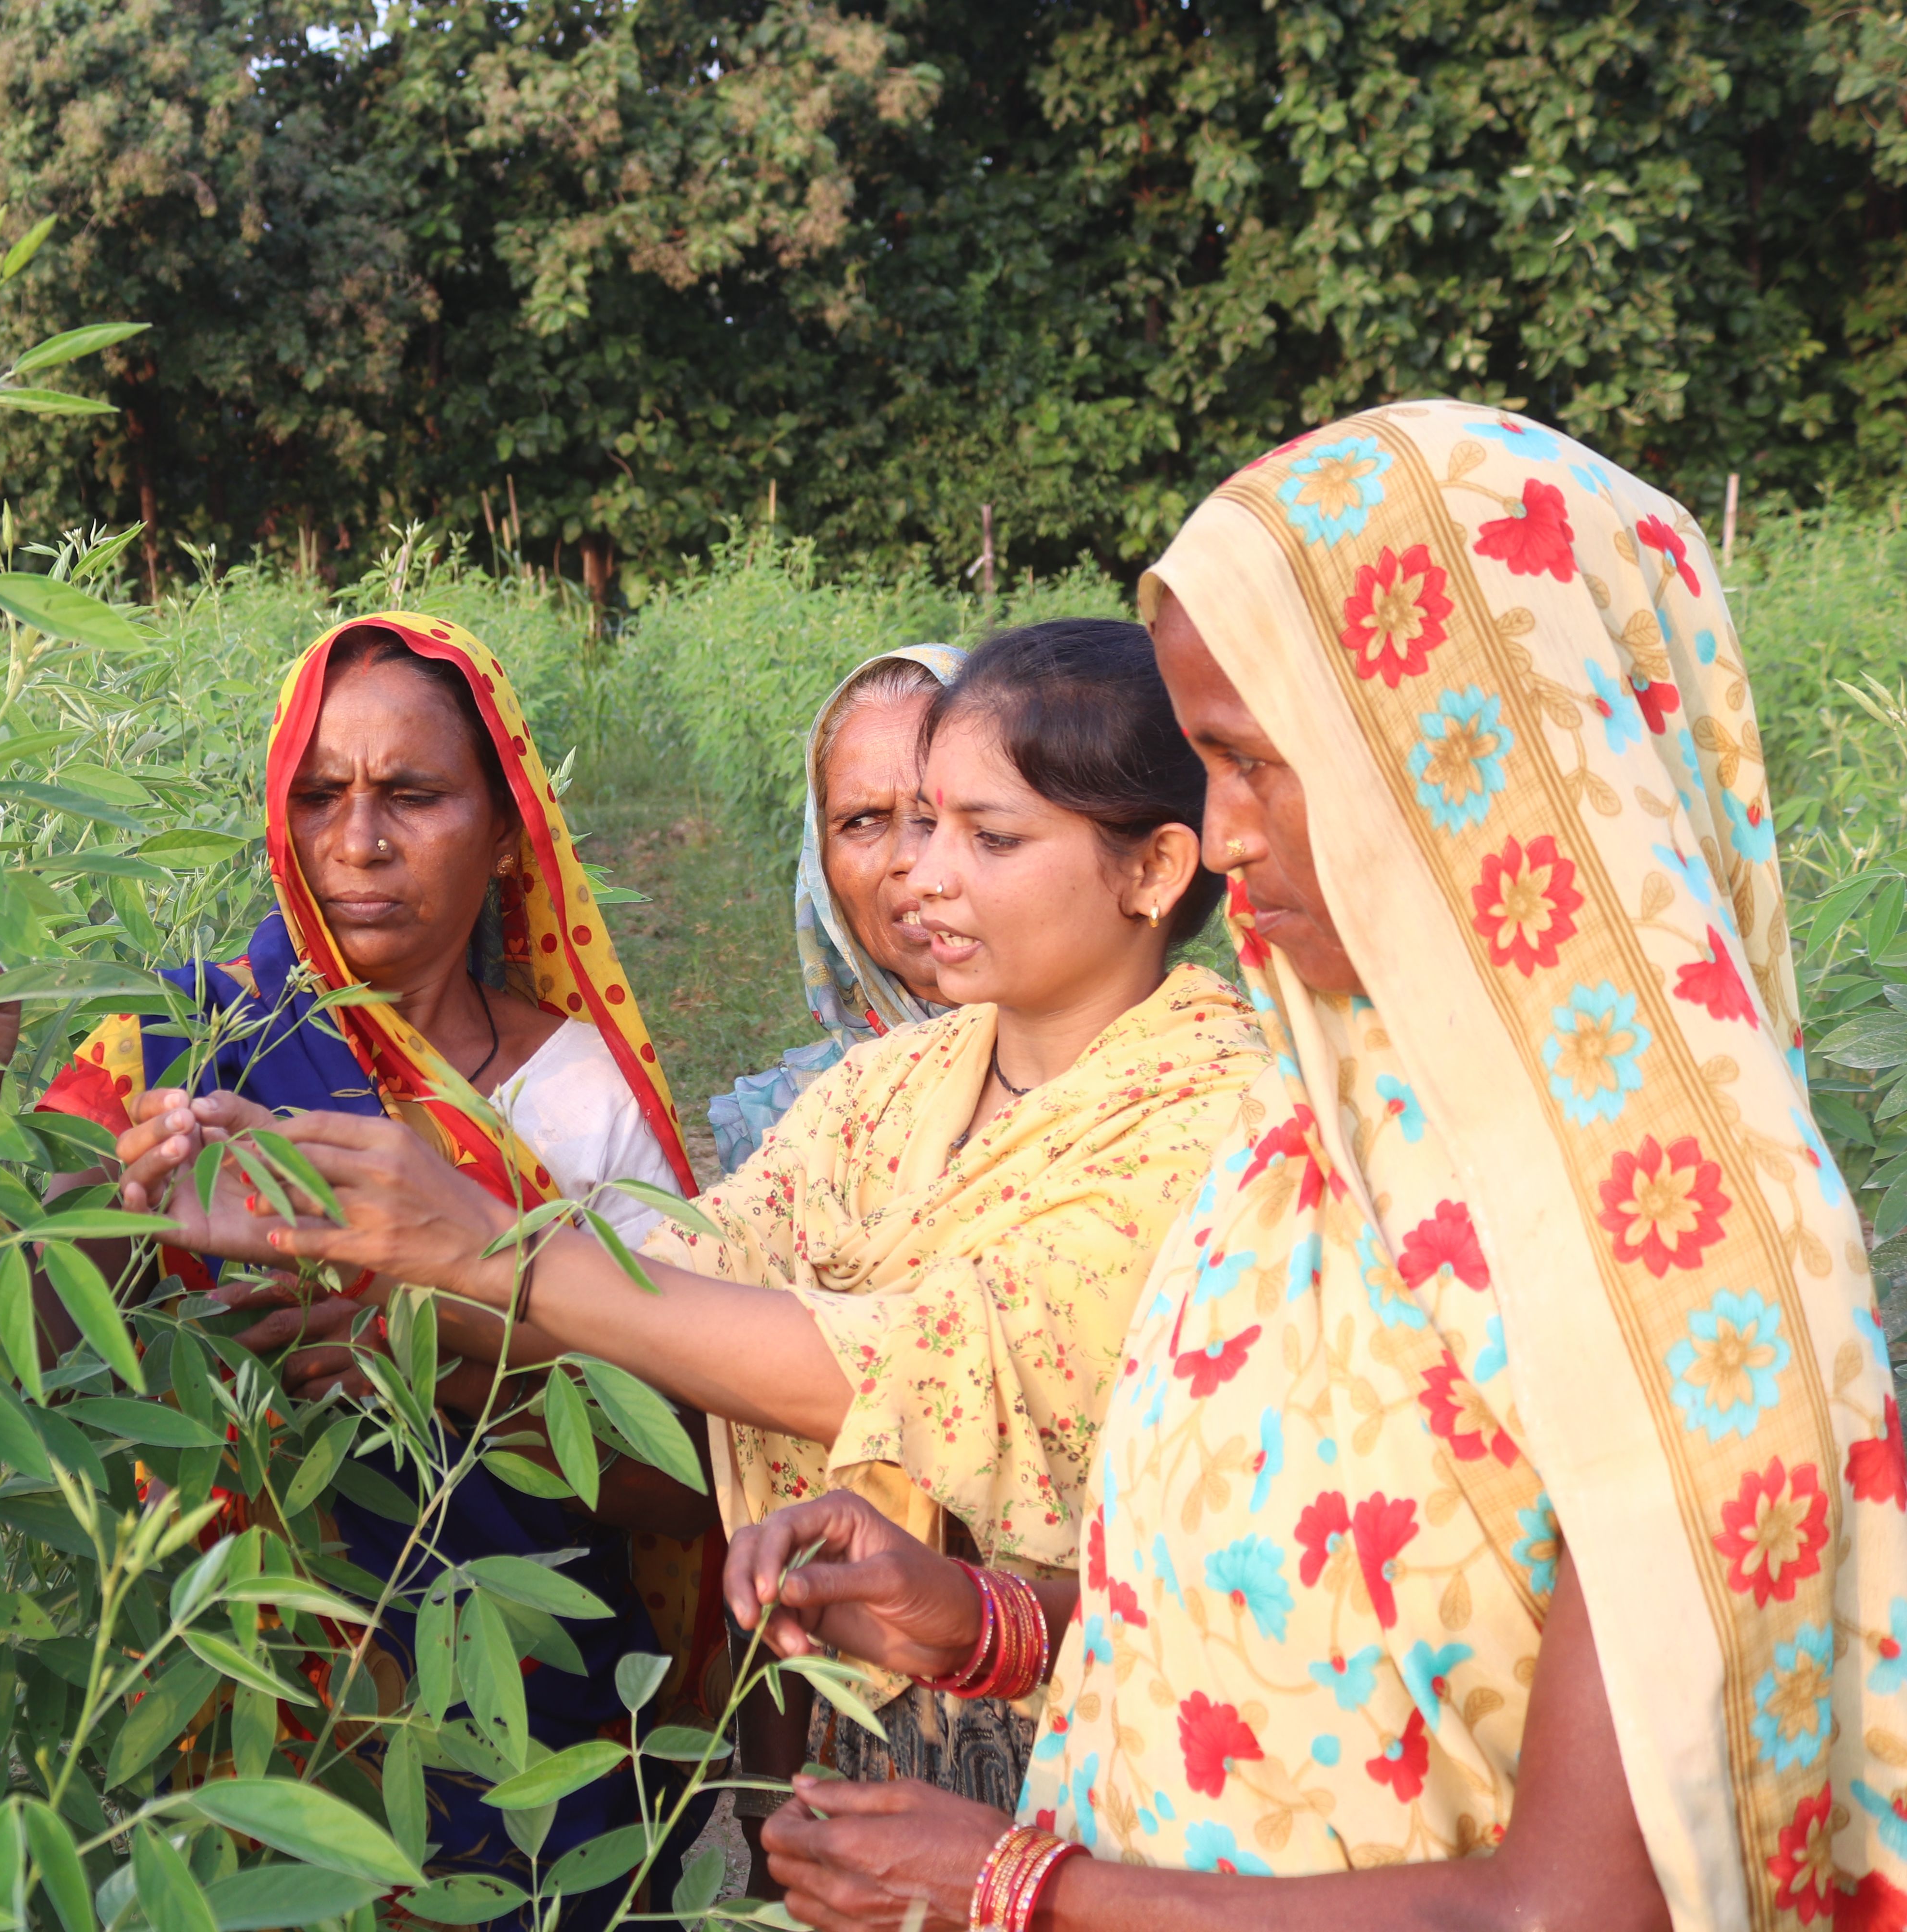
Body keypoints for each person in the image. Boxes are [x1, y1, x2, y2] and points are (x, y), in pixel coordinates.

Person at [715, 398, 1907, 1931]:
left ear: (1475, 753)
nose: (1213, 840)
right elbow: (1288, 1636)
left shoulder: (1681, 1252)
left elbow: (1574, 1908)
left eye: (1250, 763)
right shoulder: (1310, 1150)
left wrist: (1019, 1884)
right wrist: (983, 1622)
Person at [116, 618, 1271, 1824]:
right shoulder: (892, 1083)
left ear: (1153, 868)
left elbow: (914, 1365)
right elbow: (674, 1277)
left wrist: (478, 1249)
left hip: (1087, 1750)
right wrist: (391, 1302)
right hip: (845, 1742)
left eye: (987, 836)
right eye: (913, 824)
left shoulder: (1211, 1117)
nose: (921, 874)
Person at [0, 611, 711, 1919]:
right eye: (321, 796)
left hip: (525, 1745)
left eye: (412, 796)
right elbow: (17, 1356)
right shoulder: (180, 1043)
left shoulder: (577, 1099)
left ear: (505, 826)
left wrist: (426, 1356)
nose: (358, 844)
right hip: (232, 1722)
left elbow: (686, 1477)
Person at [709, 645, 965, 1175]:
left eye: (942, 810)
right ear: (818, 866)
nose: (912, 860)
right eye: (864, 821)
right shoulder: (779, 1131)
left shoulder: (1143, 1078)